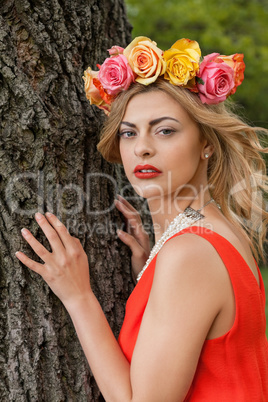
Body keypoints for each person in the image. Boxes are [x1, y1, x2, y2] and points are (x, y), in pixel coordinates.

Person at [15, 37, 268, 401]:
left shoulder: (189, 255)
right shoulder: (217, 229)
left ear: (207, 143)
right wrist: (151, 271)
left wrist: (78, 296)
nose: (142, 147)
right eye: (129, 132)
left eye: (165, 130)